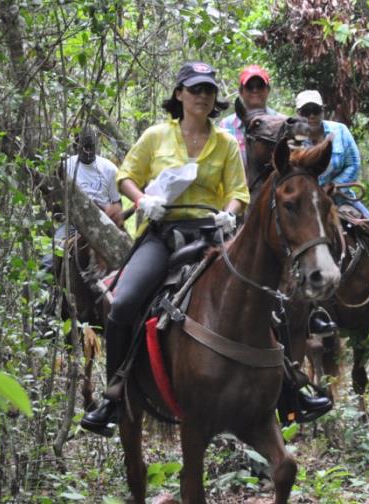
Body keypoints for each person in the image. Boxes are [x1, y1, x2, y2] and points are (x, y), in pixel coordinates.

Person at [81, 62, 248, 435]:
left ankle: (288, 386)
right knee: (123, 303)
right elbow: (126, 176)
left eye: (208, 90)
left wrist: (230, 214)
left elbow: (239, 191)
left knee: (262, 293)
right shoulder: (156, 136)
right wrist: (142, 202)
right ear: (179, 95)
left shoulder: (225, 143)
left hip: (210, 234)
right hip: (164, 232)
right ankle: (114, 395)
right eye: (194, 90)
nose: (202, 96)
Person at [295, 90, 369, 317]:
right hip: (309, 203)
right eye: (306, 112)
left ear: (323, 111)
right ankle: (290, 300)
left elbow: (354, 164)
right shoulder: (293, 141)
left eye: (316, 111)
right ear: (299, 114)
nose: (311, 116)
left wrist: (332, 187)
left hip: (341, 196)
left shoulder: (339, 131)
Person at [42, 125, 122, 272]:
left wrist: (113, 212)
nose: (88, 151)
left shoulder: (109, 168)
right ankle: (47, 291)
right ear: (75, 146)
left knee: (129, 254)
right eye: (84, 147)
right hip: (73, 224)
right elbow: (55, 199)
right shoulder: (65, 167)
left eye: (91, 147)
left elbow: (117, 202)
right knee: (48, 261)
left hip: (104, 221)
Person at [218, 64, 276, 160]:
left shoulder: (281, 122)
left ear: (268, 90)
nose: (255, 90)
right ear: (241, 91)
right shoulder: (226, 125)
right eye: (249, 86)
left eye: (260, 86)